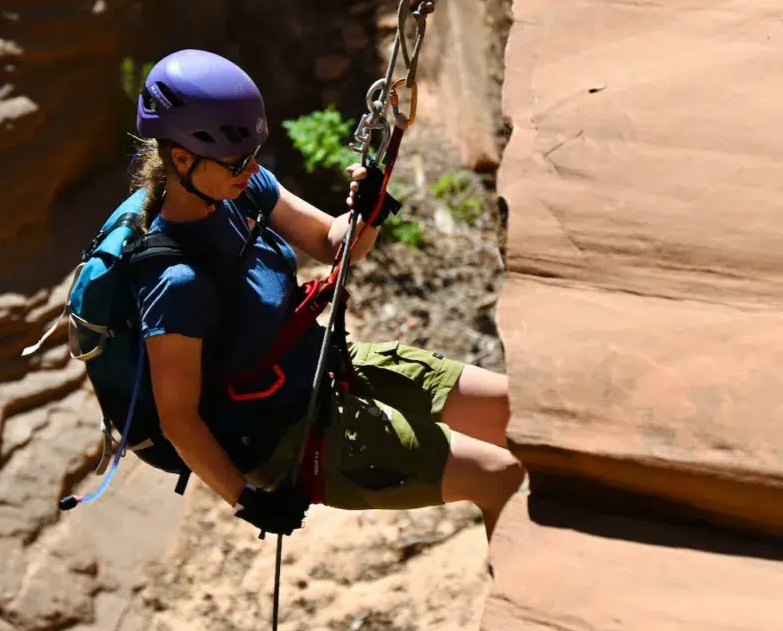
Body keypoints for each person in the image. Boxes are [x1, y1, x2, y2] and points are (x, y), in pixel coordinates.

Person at [130, 48, 524, 543]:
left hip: (329, 367)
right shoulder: (174, 281)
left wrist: (369, 210)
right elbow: (178, 419)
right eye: (237, 161)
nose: (251, 169)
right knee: (500, 474)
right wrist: (250, 502)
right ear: (182, 159)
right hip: (287, 438)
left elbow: (338, 246)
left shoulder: (243, 189)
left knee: (523, 409)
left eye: (254, 156)